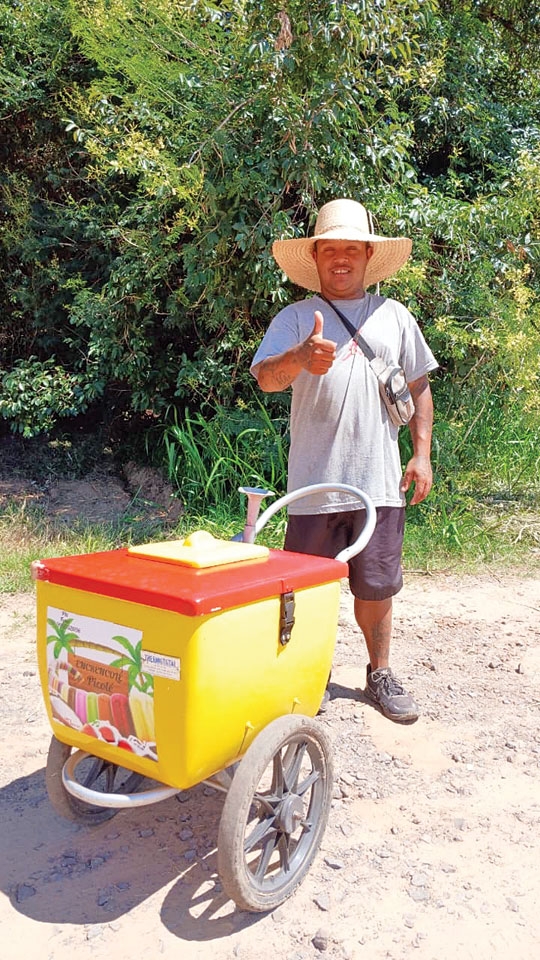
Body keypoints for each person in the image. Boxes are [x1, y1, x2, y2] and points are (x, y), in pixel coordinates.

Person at [250, 198, 437, 723]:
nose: (340, 258)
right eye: (329, 248)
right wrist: (299, 358)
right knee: (306, 592)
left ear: (365, 256)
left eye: (350, 249)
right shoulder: (293, 319)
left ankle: (379, 674)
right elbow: (266, 378)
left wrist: (420, 456)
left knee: (375, 587)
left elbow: (420, 387)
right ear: (315, 257)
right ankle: (306, 679)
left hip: (377, 483)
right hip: (311, 485)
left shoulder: (395, 316)